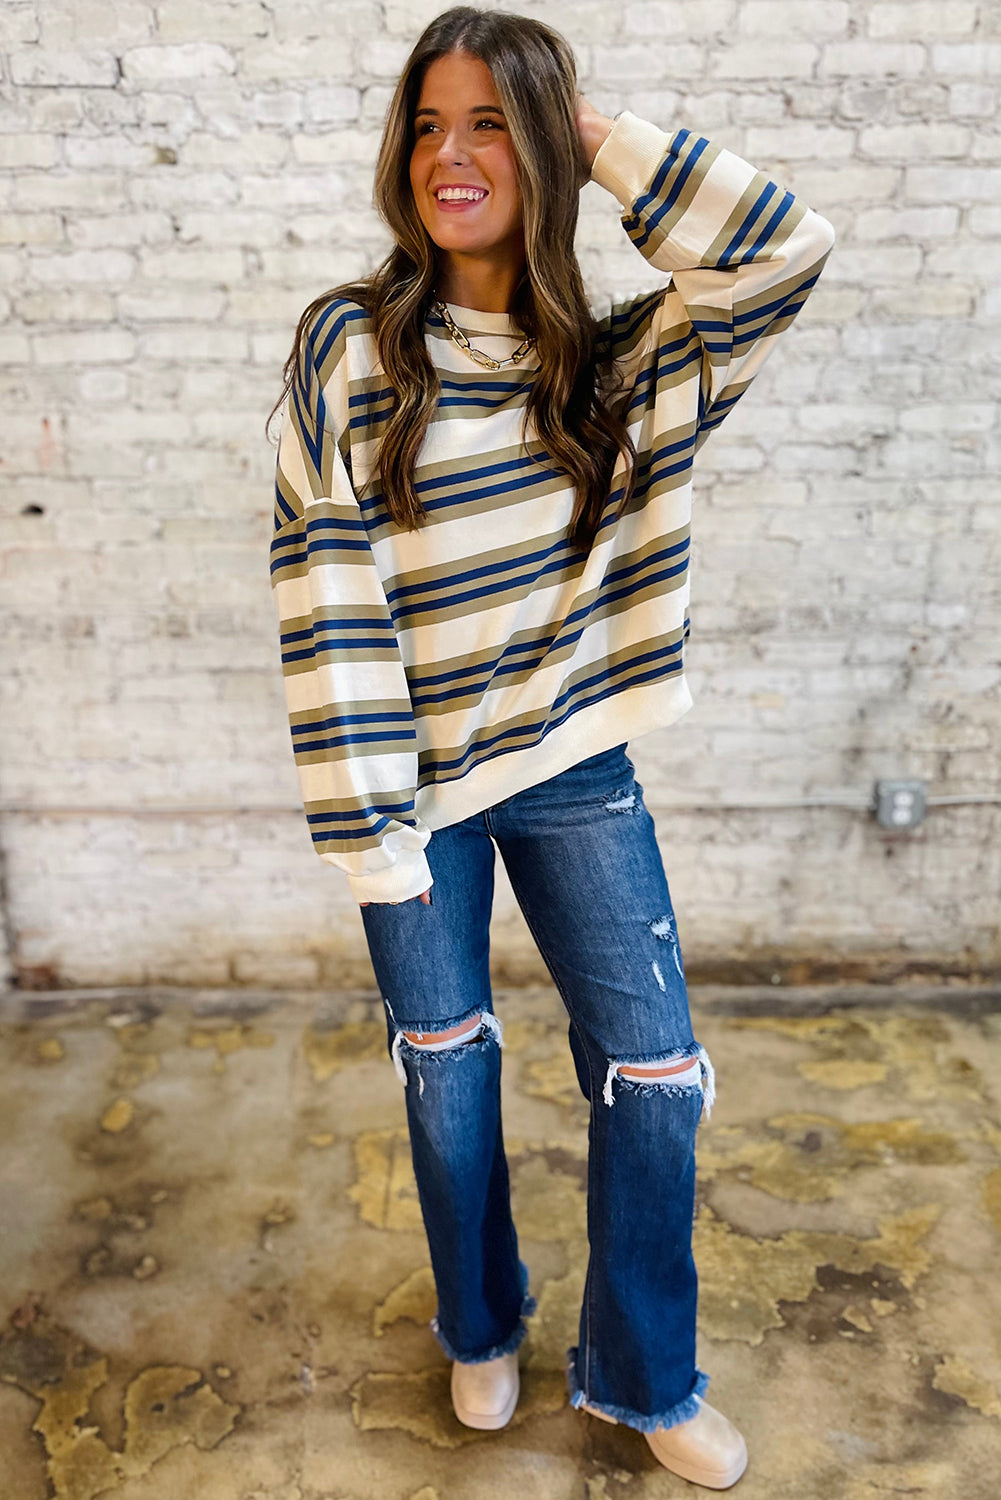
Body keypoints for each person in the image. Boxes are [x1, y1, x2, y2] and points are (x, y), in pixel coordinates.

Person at [266, 5, 834, 1488]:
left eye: (487, 123)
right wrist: (373, 833)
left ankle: (643, 1379)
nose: (451, 155)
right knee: (444, 1072)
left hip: (572, 763)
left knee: (651, 1076)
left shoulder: (620, 360)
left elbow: (780, 250)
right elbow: (324, 593)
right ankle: (479, 1323)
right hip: (408, 787)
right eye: (427, 123)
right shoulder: (347, 343)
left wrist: (579, 123)